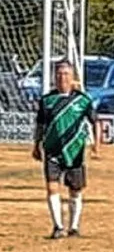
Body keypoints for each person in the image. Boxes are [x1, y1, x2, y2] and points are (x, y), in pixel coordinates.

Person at [32, 59, 99, 239]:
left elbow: (95, 121)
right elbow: (40, 124)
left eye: (66, 74)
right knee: (52, 188)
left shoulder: (82, 100)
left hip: (74, 151)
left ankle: (74, 227)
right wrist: (36, 145)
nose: (62, 77)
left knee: (75, 190)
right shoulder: (47, 100)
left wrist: (96, 144)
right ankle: (58, 227)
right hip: (52, 150)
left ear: (72, 77)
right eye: (59, 74)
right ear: (55, 77)